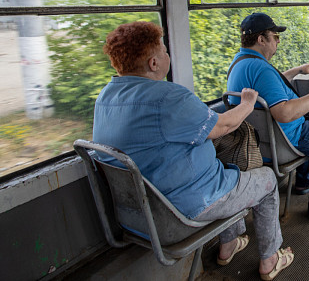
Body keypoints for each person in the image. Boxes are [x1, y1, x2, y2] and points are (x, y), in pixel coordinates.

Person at [92, 21, 293, 280]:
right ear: (154, 64)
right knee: (266, 179)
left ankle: (229, 243)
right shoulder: (169, 98)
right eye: (164, 52)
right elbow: (225, 124)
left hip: (136, 215)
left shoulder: (106, 97)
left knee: (224, 167)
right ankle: (270, 258)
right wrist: (247, 103)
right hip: (181, 213)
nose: (168, 56)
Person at [226, 12, 309, 220]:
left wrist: (298, 70)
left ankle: (304, 182)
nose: (277, 41)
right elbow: (284, 113)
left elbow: (273, 84)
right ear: (261, 39)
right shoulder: (261, 69)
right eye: (275, 36)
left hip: (258, 143)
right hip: (284, 141)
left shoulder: (239, 64)